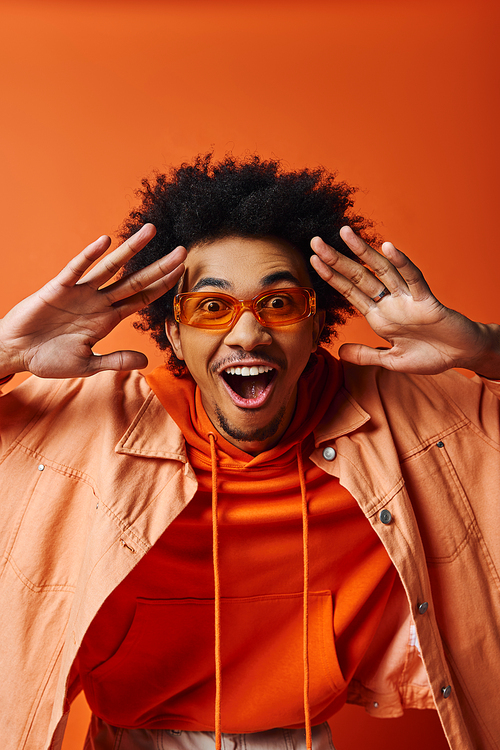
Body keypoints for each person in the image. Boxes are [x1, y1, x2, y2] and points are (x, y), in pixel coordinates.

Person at [0, 154, 498, 750]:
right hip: (130, 739)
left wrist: (486, 351)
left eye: (280, 303)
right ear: (173, 334)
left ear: (318, 327)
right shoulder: (87, 419)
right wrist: (5, 352)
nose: (248, 333)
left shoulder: (404, 417)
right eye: (211, 307)